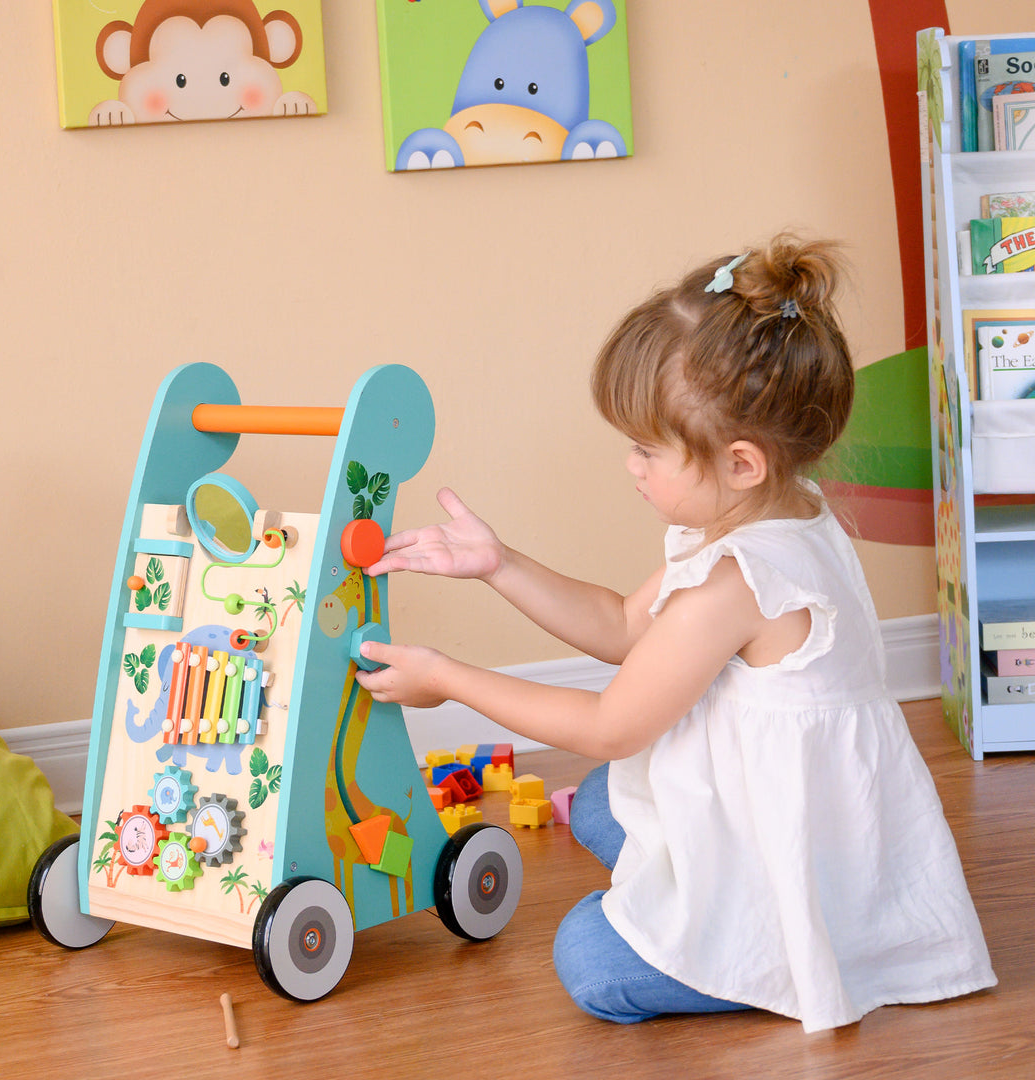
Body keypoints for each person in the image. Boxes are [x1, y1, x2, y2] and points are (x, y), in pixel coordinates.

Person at [355, 235, 997, 1032]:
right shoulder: (765, 513)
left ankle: (774, 947)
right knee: (599, 805)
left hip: (791, 846)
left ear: (740, 463)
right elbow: (624, 627)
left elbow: (610, 725)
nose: (631, 467)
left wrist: (446, 679)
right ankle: (692, 901)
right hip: (769, 799)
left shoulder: (739, 580)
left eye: (647, 449)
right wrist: (498, 563)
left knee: (589, 958)